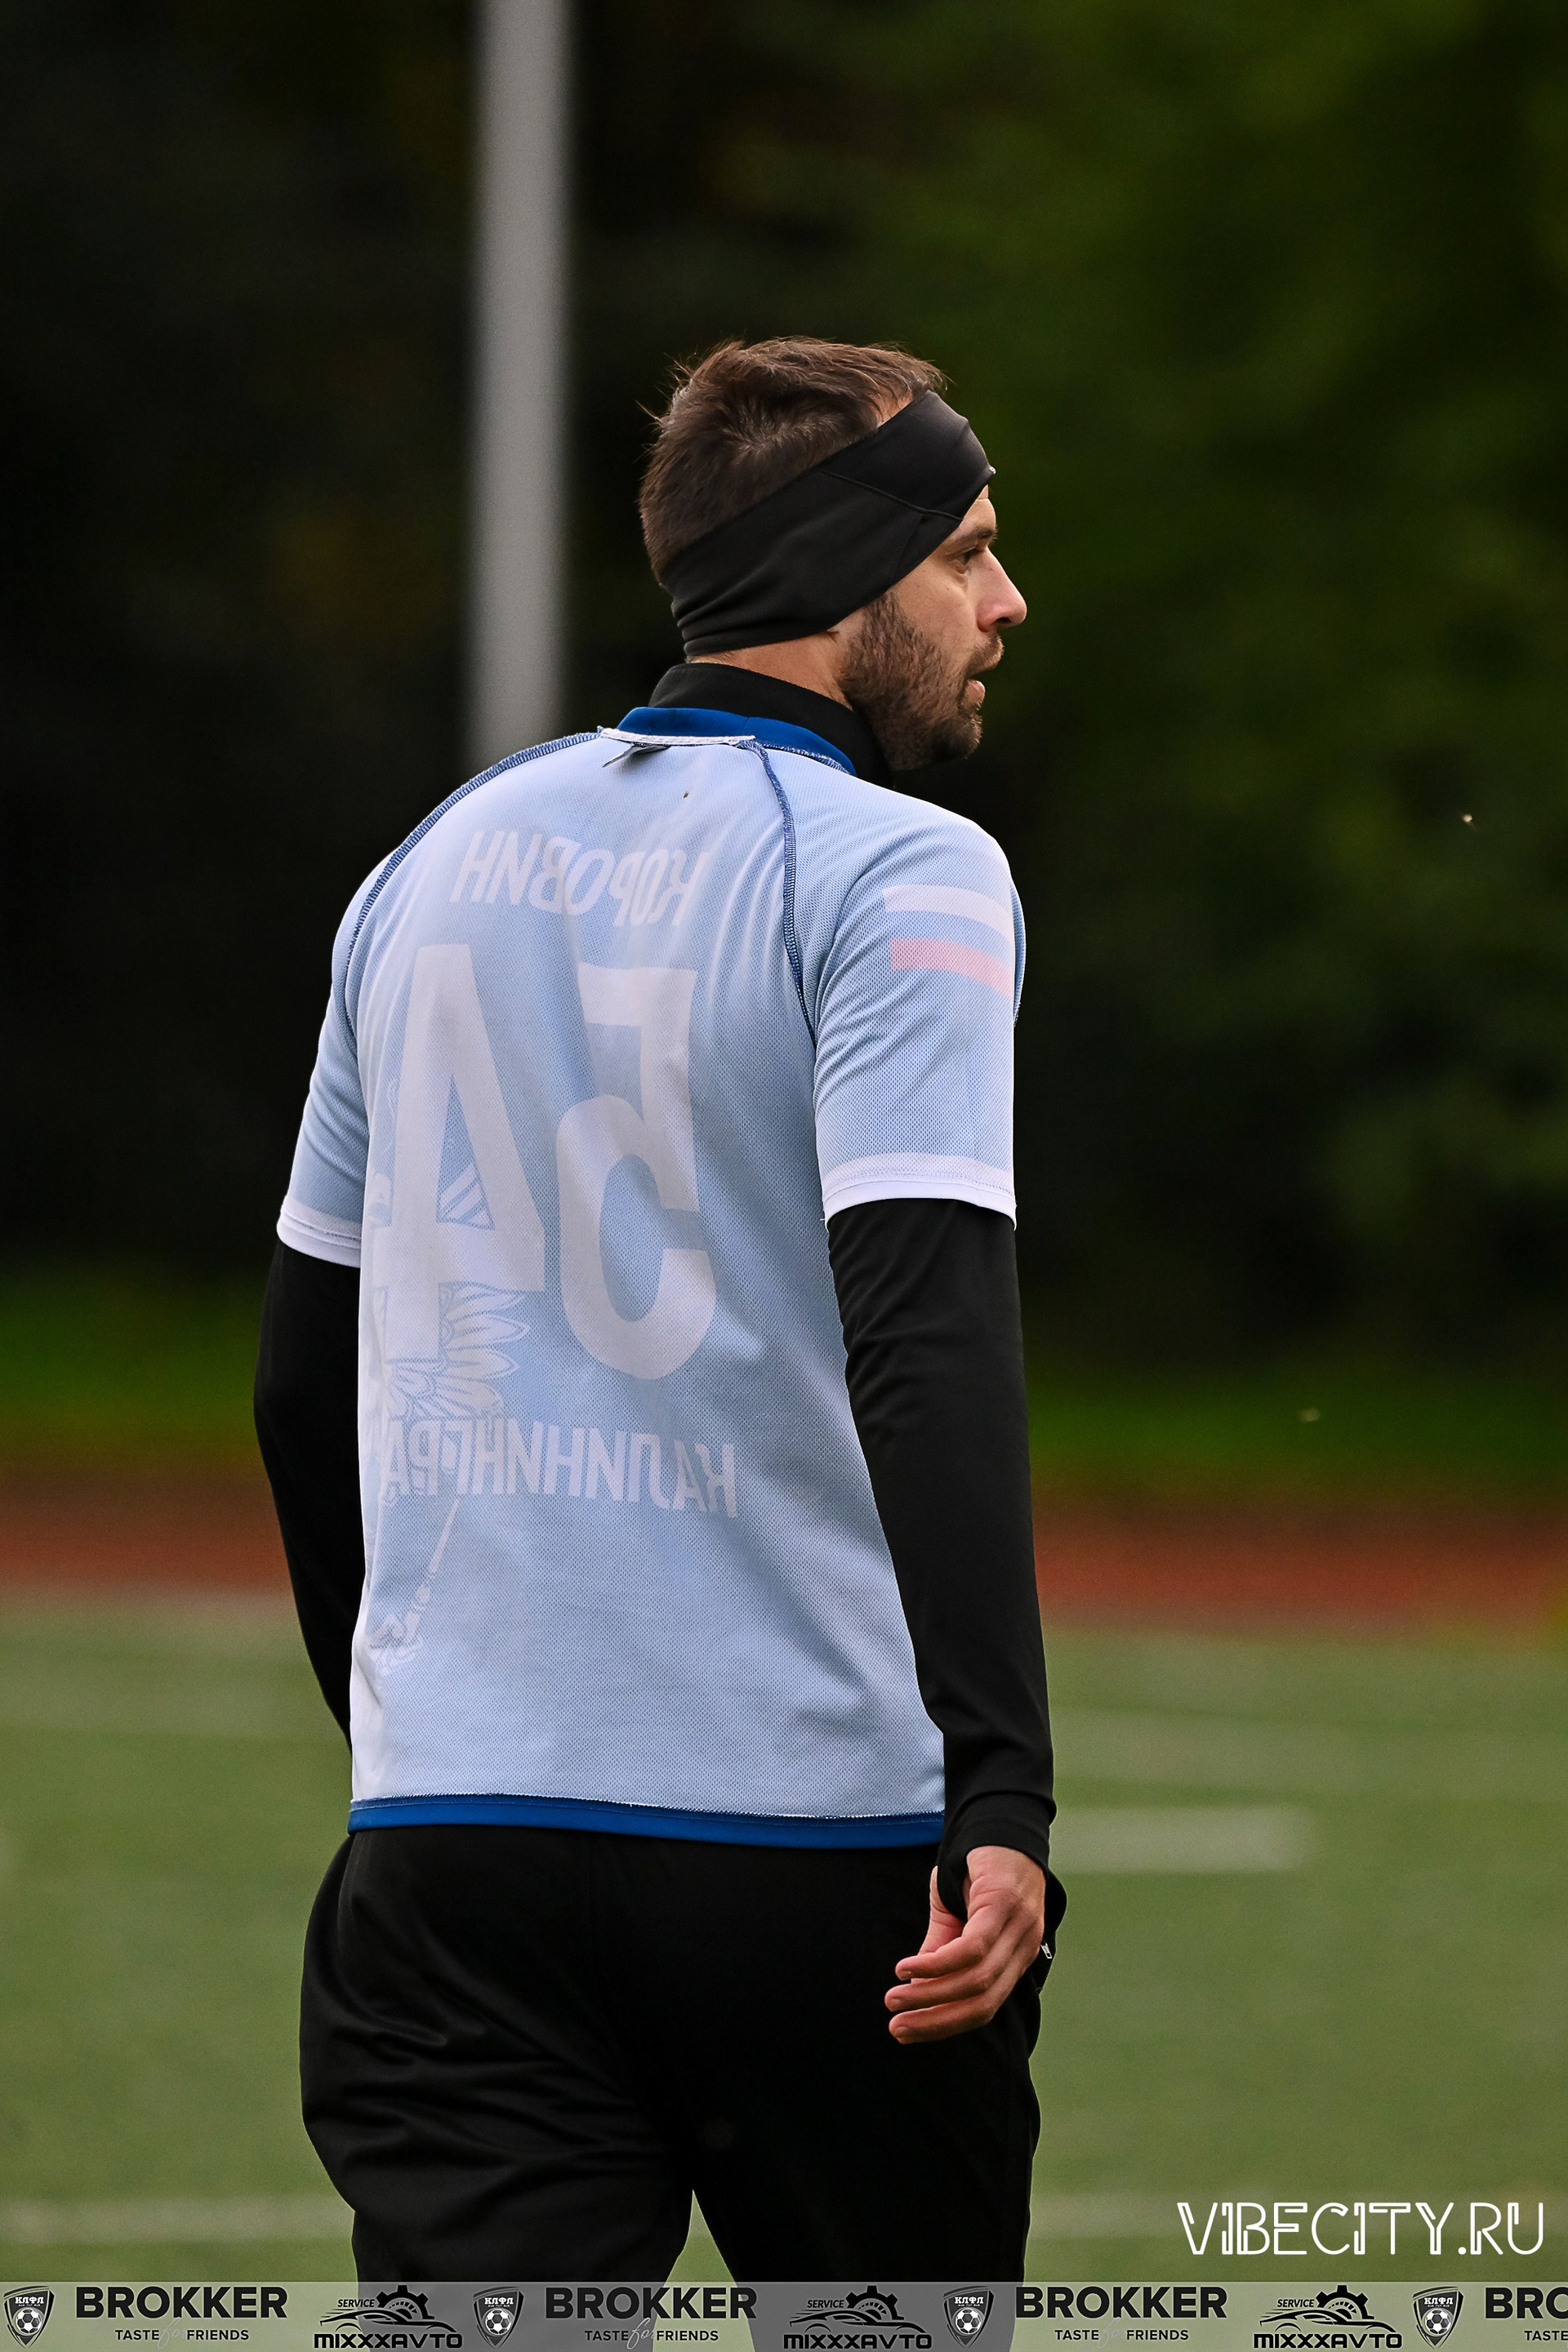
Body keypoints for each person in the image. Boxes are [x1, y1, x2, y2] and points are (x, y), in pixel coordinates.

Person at [254, 335, 1062, 2283]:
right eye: (966, 552)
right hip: (817, 1859)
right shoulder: (905, 873)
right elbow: (930, 1345)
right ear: (841, 574)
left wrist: (414, 1739)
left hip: (454, 1858)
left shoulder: (426, 864)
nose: (1007, 602)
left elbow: (299, 1380)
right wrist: (1003, 1788)